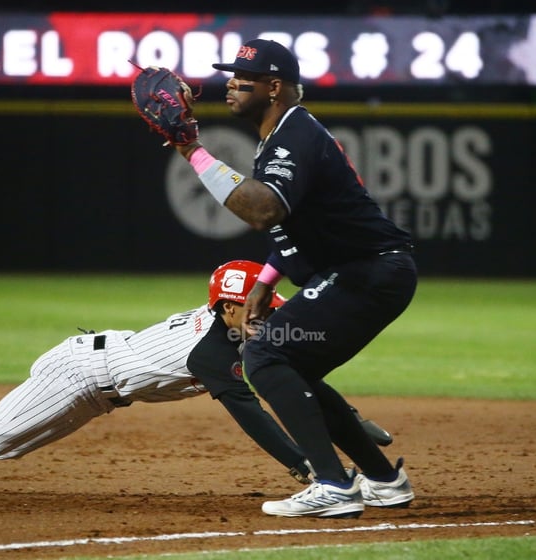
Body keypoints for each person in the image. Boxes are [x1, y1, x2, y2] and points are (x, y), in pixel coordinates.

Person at [0, 260, 407, 509]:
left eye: (266, 303)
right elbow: (250, 410)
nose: (263, 312)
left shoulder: (243, 334)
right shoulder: (213, 350)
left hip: (100, 385)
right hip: (78, 374)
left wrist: (357, 425)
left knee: (0, 445)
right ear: (226, 307)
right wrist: (305, 465)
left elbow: (300, 381)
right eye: (252, 305)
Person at [172, 39, 418, 518]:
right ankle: (385, 481)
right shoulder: (283, 134)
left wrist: (191, 151)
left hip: (368, 271)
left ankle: (333, 484)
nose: (230, 84)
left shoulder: (293, 135)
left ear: (274, 86)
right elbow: (296, 221)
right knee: (291, 366)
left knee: (263, 355)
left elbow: (263, 211)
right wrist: (266, 278)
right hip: (365, 270)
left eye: (242, 78)